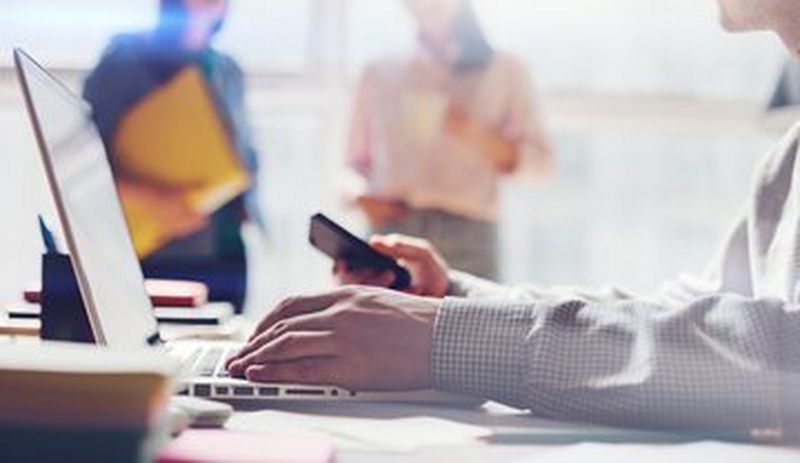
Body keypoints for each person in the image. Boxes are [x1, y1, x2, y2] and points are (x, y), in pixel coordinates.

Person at [228, 0, 800, 432]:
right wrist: (454, 300)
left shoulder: (501, 69)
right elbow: (700, 314)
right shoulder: (788, 156)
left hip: (469, 222)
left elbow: (779, 353)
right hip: (406, 223)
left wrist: (443, 338)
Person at [344, 0, 554, 280]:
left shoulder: (505, 69)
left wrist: (473, 133)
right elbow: (351, 166)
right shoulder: (379, 71)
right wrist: (358, 195)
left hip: (470, 235)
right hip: (392, 229)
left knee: (477, 311)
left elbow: (542, 166)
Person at [83, 0, 263, 312]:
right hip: (154, 253)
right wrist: (158, 202)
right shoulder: (123, 61)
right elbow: (85, 166)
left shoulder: (226, 68)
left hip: (224, 251)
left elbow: (243, 148)